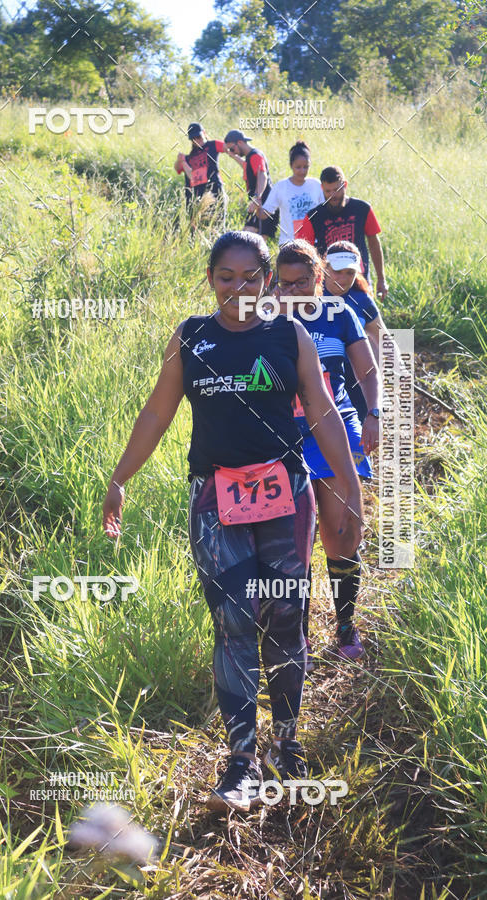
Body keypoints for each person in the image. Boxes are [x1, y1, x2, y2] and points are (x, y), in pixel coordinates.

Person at [102, 231, 363, 813]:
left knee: (287, 614)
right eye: (226, 276)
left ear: (268, 280)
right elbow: (157, 410)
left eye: (250, 277)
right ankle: (241, 761)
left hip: (285, 492)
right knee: (235, 622)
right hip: (215, 497)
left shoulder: (288, 334)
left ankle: (287, 745)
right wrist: (120, 478)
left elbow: (320, 410)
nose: (238, 288)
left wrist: (347, 486)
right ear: (211, 278)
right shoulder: (192, 337)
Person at [274, 240, 381, 667]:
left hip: (335, 434)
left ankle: (345, 625)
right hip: (283, 438)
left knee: (341, 535)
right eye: (285, 284)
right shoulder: (264, 319)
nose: (295, 291)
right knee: (292, 545)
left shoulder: (341, 314)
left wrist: (374, 413)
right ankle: (296, 637)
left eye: (303, 282)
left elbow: (368, 370)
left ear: (319, 278)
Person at [322, 240, 392, 421]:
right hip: (320, 379)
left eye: (350, 273)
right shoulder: (310, 294)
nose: (343, 279)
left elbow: (384, 339)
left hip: (356, 380)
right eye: (337, 271)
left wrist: (397, 377)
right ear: (325, 267)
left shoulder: (361, 300)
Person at [299, 166, 389, 299]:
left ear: (345, 185)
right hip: (328, 284)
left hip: (359, 278)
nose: (332, 195)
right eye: (328, 191)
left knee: (365, 317)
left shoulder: (362, 209)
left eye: (336, 190)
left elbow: (374, 243)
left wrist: (381, 279)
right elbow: (304, 254)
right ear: (322, 189)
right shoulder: (313, 216)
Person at [249, 140, 324, 245]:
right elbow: (263, 214)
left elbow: (325, 211)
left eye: (306, 167)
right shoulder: (281, 186)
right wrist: (257, 206)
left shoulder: (316, 185)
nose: (302, 171)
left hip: (313, 243)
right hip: (288, 243)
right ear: (291, 165)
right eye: (298, 167)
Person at [223, 129, 278, 239]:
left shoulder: (255, 156)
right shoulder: (250, 157)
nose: (233, 151)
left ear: (240, 143)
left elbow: (262, 175)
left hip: (264, 203)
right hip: (260, 202)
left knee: (251, 241)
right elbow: (247, 166)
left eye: (232, 148)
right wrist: (234, 157)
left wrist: (257, 197)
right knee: (249, 241)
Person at [174, 123, 227, 231]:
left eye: (199, 137)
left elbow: (230, 148)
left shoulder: (213, 145)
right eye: (194, 138)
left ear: (204, 133)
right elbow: (177, 169)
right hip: (195, 196)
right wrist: (180, 160)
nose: (197, 140)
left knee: (218, 224)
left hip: (214, 191)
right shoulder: (189, 157)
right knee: (195, 228)